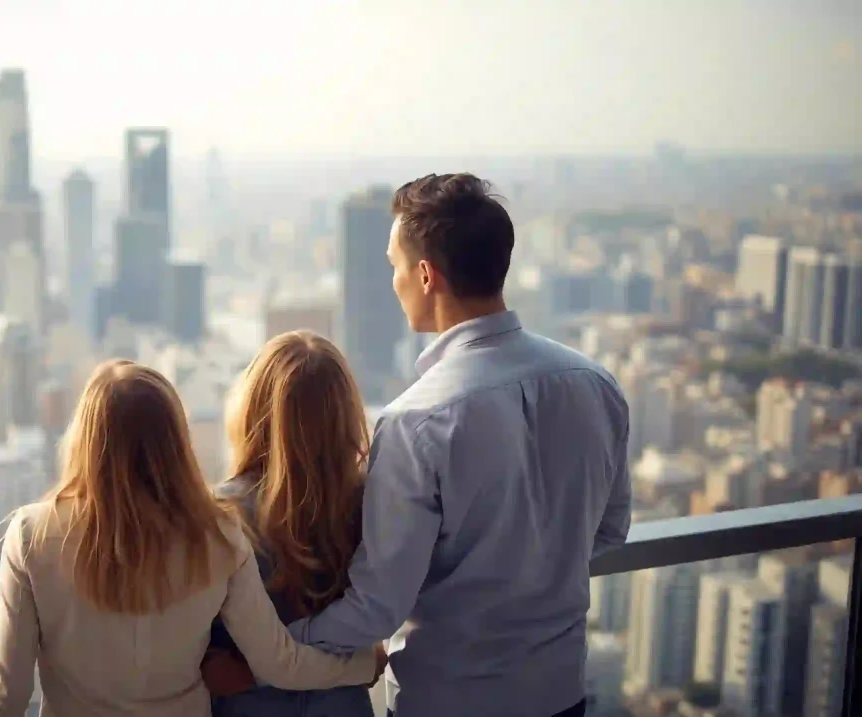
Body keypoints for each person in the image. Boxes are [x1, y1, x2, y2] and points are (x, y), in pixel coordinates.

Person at [205, 174, 631, 716]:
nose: (393, 281)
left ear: (425, 275)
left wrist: (270, 650)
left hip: (453, 700)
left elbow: (376, 608)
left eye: (394, 266)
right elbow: (611, 530)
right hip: (562, 695)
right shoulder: (594, 383)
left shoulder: (417, 421)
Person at [0, 359, 382, 717]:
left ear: (84, 439)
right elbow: (278, 663)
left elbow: (6, 697)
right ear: (175, 440)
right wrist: (363, 665)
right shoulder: (219, 536)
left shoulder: (32, 536)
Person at [206, 331, 377, 717]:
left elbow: (208, 665)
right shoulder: (375, 506)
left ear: (251, 409)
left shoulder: (218, 516)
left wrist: (250, 672)